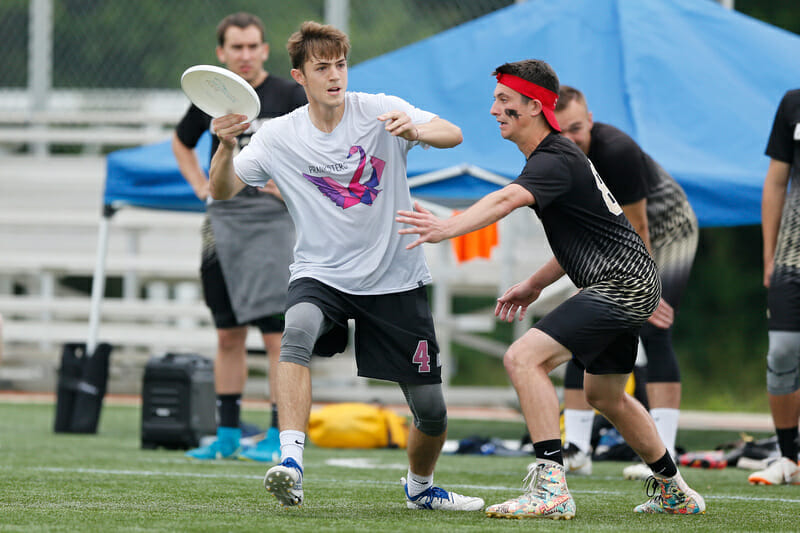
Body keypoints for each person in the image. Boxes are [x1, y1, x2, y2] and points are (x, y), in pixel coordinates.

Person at [397, 59, 705, 519]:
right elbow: (583, 237)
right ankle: (675, 489)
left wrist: (449, 227)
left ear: (535, 106)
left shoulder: (553, 159)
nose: (494, 109)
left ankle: (551, 487)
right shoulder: (558, 157)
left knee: (522, 358)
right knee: (605, 396)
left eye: (504, 100)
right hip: (629, 281)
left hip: (620, 284)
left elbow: (506, 199)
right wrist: (534, 284)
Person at [208, 21, 484, 511]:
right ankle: (290, 462)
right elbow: (223, 191)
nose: (335, 75)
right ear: (299, 76)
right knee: (295, 330)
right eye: (322, 67)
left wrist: (416, 129)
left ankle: (420, 488)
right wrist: (227, 147)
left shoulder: (378, 109)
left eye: (340, 64)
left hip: (395, 277)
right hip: (321, 274)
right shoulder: (278, 134)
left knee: (432, 412)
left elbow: (455, 134)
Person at [172, 12, 307, 462]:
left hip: (273, 224)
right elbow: (181, 141)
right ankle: (226, 434)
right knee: (227, 333)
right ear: (221, 53)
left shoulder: (289, 95)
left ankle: (275, 433)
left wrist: (289, 185)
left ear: (265, 50)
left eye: (253, 46)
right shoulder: (213, 96)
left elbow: (318, 146)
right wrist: (200, 186)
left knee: (275, 336)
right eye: (237, 47)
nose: (245, 55)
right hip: (223, 221)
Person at [554, 86, 699, 479]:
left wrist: (644, 290)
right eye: (560, 130)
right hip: (617, 237)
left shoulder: (615, 150)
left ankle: (664, 449)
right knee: (582, 325)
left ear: (591, 120)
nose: (570, 139)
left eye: (577, 129)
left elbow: (639, 225)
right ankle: (577, 448)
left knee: (654, 330)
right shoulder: (555, 157)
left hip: (665, 231)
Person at [750, 88, 800, 486]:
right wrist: (769, 254)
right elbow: (775, 182)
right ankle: (788, 457)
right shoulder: (791, 103)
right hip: (790, 256)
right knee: (783, 350)